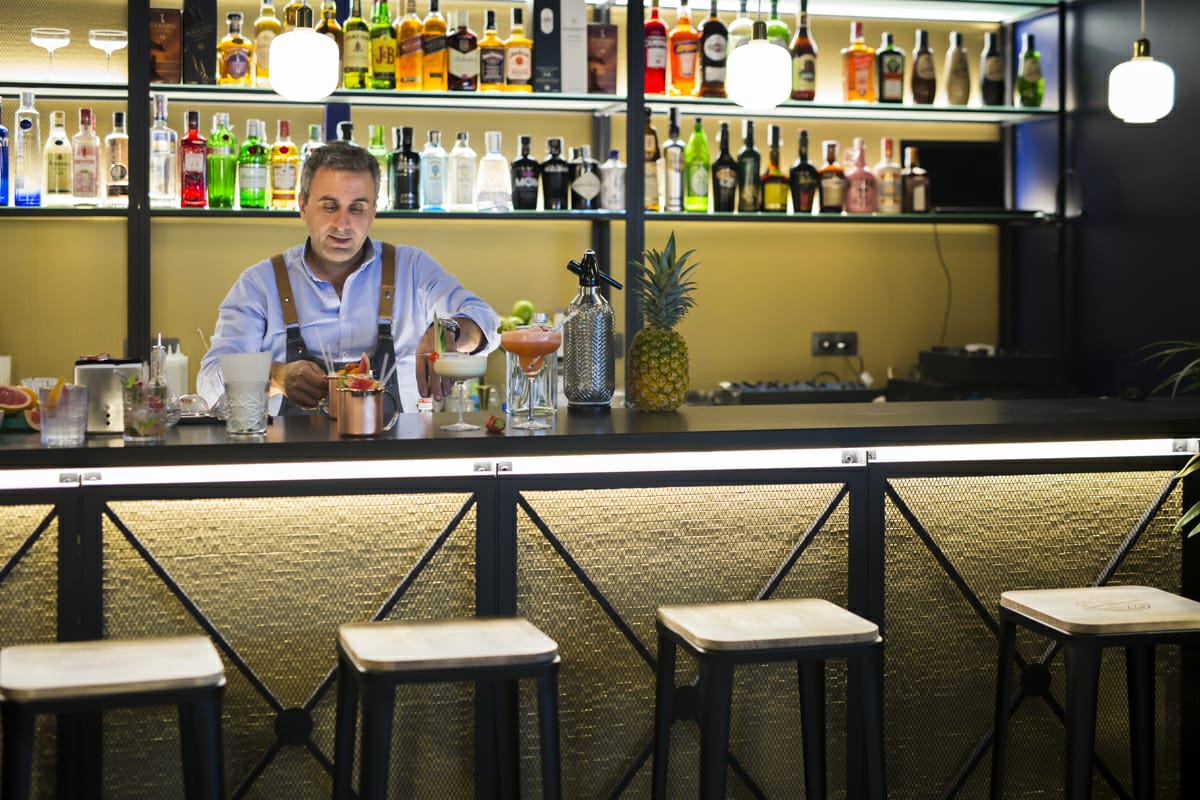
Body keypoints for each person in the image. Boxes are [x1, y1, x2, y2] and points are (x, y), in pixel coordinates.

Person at [197, 139, 500, 415]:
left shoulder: (412, 268)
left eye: (357, 208)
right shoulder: (259, 284)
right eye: (329, 206)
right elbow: (209, 383)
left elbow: (487, 320)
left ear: (374, 212)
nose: (342, 223)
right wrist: (275, 376)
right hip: (291, 456)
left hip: (397, 453)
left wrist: (447, 331)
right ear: (302, 206)